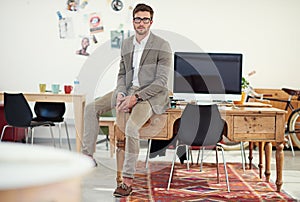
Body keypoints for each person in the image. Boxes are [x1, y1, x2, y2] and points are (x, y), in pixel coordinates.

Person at [81, 3, 172, 197]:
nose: (141, 23)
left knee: (131, 128)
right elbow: (122, 73)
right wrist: (121, 93)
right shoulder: (127, 44)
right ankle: (88, 156)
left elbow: (161, 82)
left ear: (151, 22)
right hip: (127, 89)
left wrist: (135, 97)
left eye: (145, 19)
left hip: (150, 95)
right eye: (138, 19)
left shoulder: (162, 45)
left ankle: (127, 181)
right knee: (91, 108)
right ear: (133, 21)